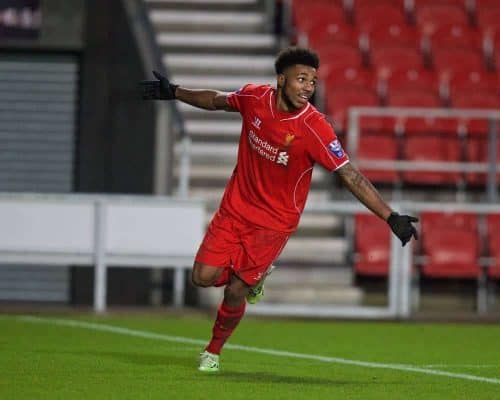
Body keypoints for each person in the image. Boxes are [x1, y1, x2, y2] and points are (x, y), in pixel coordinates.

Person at [140, 47, 419, 373]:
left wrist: (389, 215)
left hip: (273, 224)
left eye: (313, 82)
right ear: (281, 79)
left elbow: (349, 174)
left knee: (235, 291)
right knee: (201, 277)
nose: (307, 87)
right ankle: (251, 277)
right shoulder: (254, 98)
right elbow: (216, 99)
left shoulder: (316, 127)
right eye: (301, 79)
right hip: (235, 209)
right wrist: (174, 92)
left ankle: (213, 350)